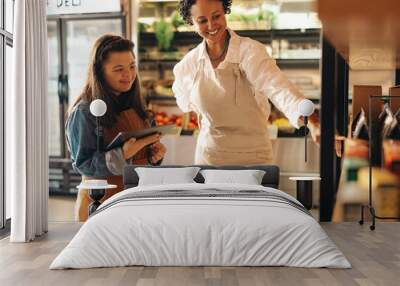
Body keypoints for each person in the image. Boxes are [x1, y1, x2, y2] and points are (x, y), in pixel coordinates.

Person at [173, 0, 340, 165]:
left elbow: (280, 89)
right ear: (191, 22)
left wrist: (313, 122)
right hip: (209, 159)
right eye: (202, 20)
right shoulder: (187, 66)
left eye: (216, 16)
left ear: (225, 12)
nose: (211, 25)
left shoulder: (250, 51)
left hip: (254, 159)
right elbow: (185, 104)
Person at [66, 34, 166, 221]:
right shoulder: (84, 112)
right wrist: (123, 154)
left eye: (132, 66)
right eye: (118, 69)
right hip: (101, 204)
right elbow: (83, 164)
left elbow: (146, 157)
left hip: (138, 200)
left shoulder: (137, 105)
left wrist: (154, 156)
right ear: (99, 72)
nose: (128, 75)